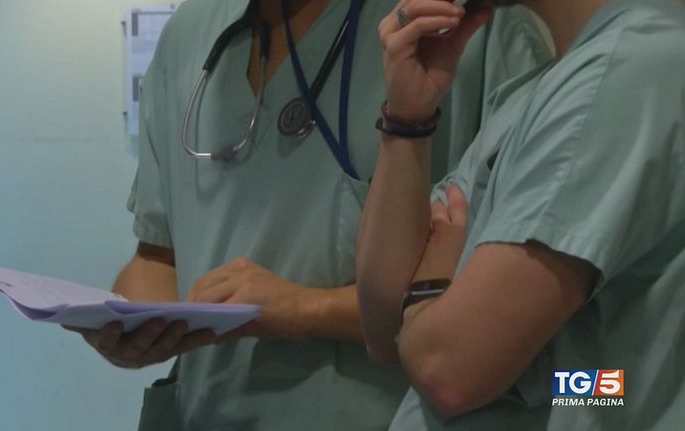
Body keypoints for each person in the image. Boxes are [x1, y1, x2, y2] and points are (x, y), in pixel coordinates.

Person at [65, 0, 551, 430]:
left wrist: (306, 309)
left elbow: (512, 313)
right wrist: (131, 324)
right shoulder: (189, 35)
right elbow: (157, 255)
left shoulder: (457, 30)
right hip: (206, 411)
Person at [356, 0, 685, 430]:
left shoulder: (628, 72)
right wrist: (407, 120)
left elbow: (448, 372)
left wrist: (426, 295)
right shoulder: (536, 91)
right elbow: (383, 330)